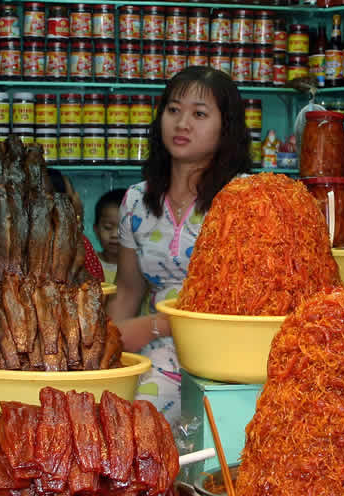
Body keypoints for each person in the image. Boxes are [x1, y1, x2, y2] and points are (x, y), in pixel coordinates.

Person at [108, 66, 251, 422]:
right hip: (152, 351)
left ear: (226, 128)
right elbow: (126, 293)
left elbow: (246, 304)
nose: (182, 123)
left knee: (142, 421)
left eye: (199, 114)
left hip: (224, 357)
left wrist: (155, 326)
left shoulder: (244, 198)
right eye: (173, 110)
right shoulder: (137, 200)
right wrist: (104, 351)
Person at [93, 189, 125, 283]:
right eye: (108, 227)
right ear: (96, 230)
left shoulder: (141, 266)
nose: (115, 235)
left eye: (122, 229)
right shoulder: (89, 262)